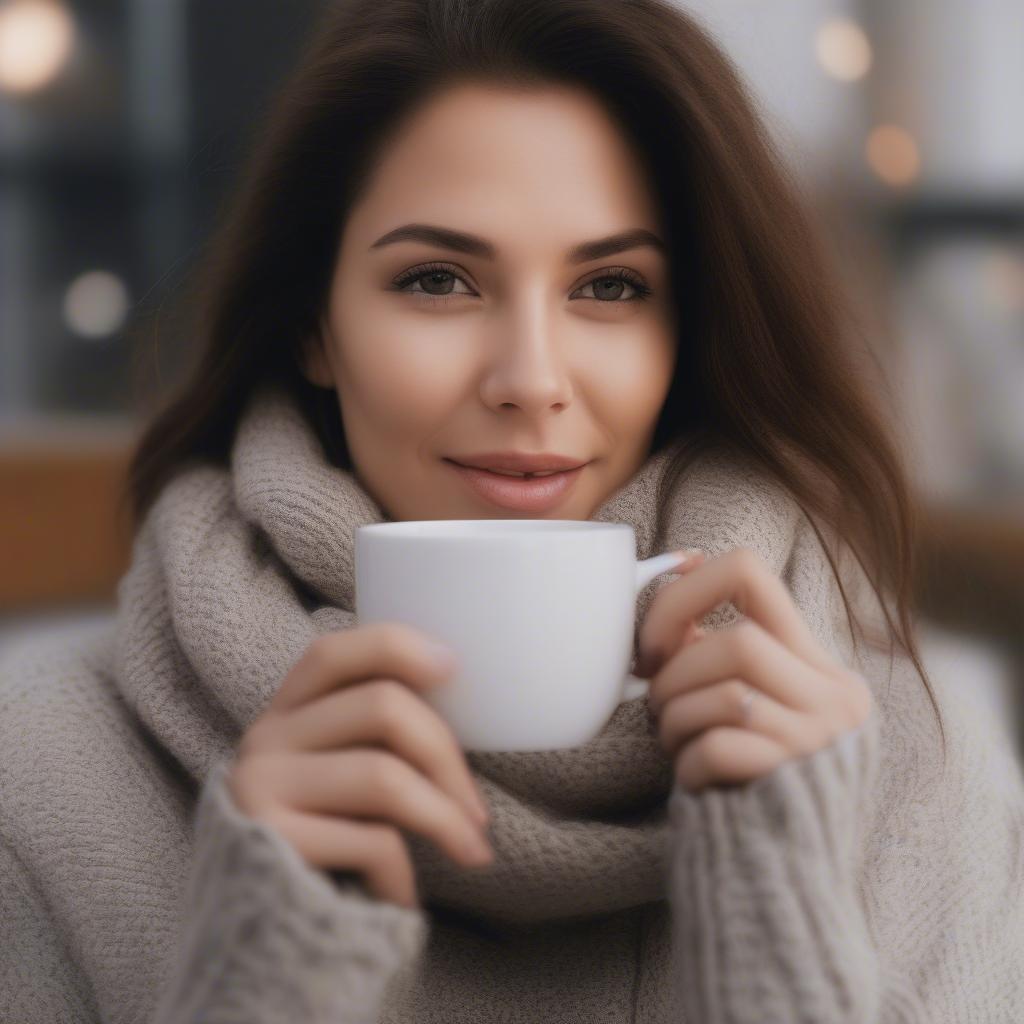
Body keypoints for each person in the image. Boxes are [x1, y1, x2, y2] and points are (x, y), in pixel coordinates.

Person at [2, 0, 1023, 1021]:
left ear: (690, 332)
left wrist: (785, 923)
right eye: (437, 280)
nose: (530, 379)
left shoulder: (925, 774)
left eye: (612, 286)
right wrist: (262, 981)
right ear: (314, 321)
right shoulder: (46, 784)